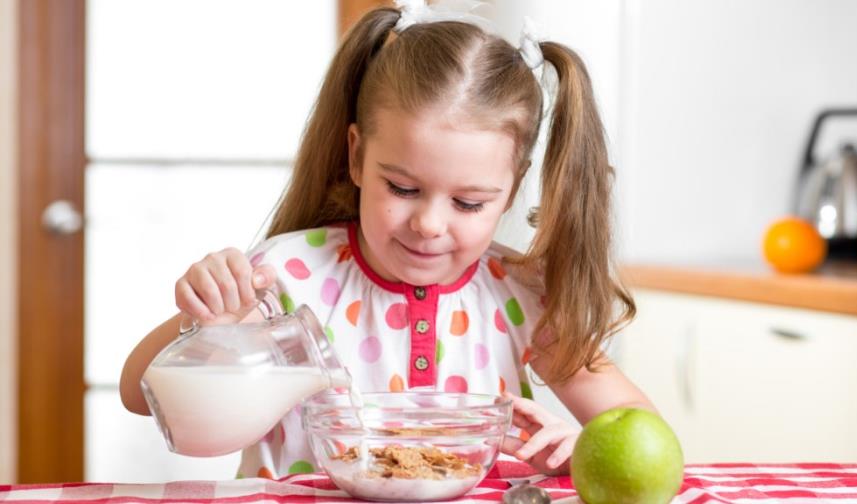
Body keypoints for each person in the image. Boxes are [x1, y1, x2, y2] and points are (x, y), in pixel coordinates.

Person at [119, 1, 655, 480]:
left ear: (511, 190)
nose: (429, 224)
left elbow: (644, 433)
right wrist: (209, 322)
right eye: (402, 188)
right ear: (357, 156)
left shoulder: (523, 295)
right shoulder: (288, 276)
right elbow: (138, 393)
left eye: (469, 203)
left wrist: (587, 446)